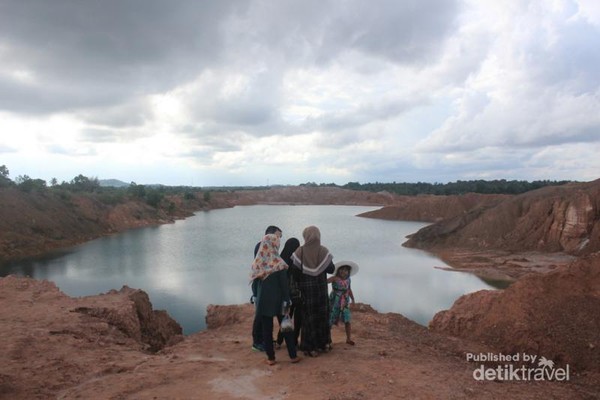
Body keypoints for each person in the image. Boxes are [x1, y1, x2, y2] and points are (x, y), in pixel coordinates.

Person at [251, 233, 301, 365]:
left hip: (263, 301)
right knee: (286, 327)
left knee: (267, 330)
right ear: (274, 245)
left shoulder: (258, 262)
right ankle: (293, 356)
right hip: (280, 301)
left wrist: (256, 297)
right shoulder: (279, 263)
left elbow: (255, 284)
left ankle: (271, 358)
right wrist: (287, 299)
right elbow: (284, 285)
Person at [291, 226, 335, 357]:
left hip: (306, 291)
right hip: (320, 289)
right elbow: (331, 269)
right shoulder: (323, 251)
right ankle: (324, 344)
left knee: (309, 318)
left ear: (305, 237)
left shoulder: (300, 252)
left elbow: (294, 272)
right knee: (322, 316)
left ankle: (310, 348)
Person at [251, 226, 282, 352]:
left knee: (262, 315)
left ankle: (264, 339)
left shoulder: (269, 246)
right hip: (261, 286)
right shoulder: (262, 246)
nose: (279, 238)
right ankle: (257, 342)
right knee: (260, 316)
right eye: (278, 235)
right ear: (270, 235)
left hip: (263, 286)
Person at [276, 237, 301, 347]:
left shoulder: (280, 260)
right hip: (298, 296)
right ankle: (294, 341)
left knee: (285, 319)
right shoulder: (298, 260)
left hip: (285, 297)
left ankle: (279, 341)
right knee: (298, 319)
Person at [328, 261, 358, 346]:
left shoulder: (348, 279)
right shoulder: (334, 278)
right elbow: (324, 282)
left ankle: (348, 339)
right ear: (338, 270)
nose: (343, 272)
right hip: (334, 302)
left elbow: (349, 289)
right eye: (342, 269)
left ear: (348, 272)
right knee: (330, 320)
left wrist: (353, 299)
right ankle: (328, 340)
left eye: (346, 270)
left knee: (347, 320)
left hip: (344, 302)